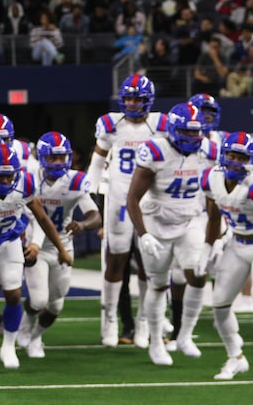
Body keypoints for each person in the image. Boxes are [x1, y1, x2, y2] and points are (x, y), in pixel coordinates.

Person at [0, 143, 73, 370]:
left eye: (10, 177)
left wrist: (61, 249)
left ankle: (8, 346)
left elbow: (43, 219)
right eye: (0, 177)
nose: (6, 182)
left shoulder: (24, 183)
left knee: (14, 295)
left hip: (10, 239)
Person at [126, 103, 212, 365]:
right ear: (174, 130)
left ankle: (183, 335)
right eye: (186, 131)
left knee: (197, 274)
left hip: (190, 219)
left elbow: (214, 194)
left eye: (196, 132)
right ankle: (155, 341)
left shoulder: (209, 149)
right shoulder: (155, 151)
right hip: (156, 220)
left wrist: (212, 238)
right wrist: (143, 234)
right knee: (158, 283)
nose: (192, 137)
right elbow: (132, 198)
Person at [87, 74, 167, 349]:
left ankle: (143, 322)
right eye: (128, 98)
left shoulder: (161, 125)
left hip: (150, 203)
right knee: (115, 261)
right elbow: (97, 162)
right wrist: (94, 197)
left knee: (149, 264)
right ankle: (110, 318)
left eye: (137, 99)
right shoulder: (111, 125)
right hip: (119, 200)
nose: (132, 104)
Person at [18, 132, 101, 358]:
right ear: (42, 157)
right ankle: (27, 330)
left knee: (56, 306)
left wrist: (83, 225)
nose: (57, 162)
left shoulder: (75, 180)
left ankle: (35, 336)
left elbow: (94, 215)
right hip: (37, 245)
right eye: (52, 158)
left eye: (61, 157)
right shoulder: (29, 178)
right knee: (38, 299)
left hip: (62, 245)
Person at [200, 132, 253, 379]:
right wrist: (208, 247)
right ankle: (236, 357)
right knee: (220, 305)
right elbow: (213, 215)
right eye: (231, 155)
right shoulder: (212, 178)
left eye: (241, 157)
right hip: (237, 243)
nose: (234, 161)